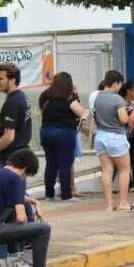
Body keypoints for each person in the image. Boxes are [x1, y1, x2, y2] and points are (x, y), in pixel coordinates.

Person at [93, 70, 134, 212]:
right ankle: (123, 202)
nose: (120, 87)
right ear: (116, 83)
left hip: (100, 136)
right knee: (124, 169)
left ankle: (109, 205)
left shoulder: (97, 97)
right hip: (116, 137)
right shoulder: (117, 99)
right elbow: (124, 119)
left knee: (106, 171)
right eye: (120, 84)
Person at [39, 72, 85, 202]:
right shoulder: (69, 97)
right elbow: (81, 112)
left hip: (46, 132)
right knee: (65, 163)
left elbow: (43, 111)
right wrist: (76, 95)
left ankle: (49, 195)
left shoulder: (45, 96)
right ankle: (66, 195)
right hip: (64, 132)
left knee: (51, 163)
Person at [0, 63, 32, 166]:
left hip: (13, 158)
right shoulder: (21, 96)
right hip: (20, 155)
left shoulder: (13, 102)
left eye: (0, 79)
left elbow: (9, 137)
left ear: (12, 80)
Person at [119, 81, 134, 185]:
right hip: (123, 135)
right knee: (125, 160)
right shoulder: (120, 102)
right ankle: (128, 181)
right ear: (128, 91)